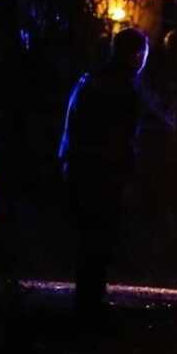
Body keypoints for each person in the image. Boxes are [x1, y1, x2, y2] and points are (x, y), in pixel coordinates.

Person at [58, 28, 148, 330]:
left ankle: (87, 304)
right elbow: (125, 138)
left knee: (89, 241)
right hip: (104, 174)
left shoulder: (89, 81)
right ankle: (89, 309)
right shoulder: (122, 89)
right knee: (99, 242)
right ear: (136, 55)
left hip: (80, 169)